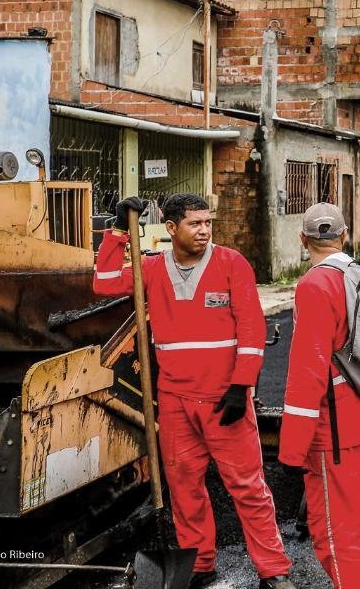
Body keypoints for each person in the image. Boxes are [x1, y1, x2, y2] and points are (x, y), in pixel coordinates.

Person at [96, 194, 294, 589]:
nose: (204, 230)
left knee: (248, 487)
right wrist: (118, 230)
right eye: (195, 224)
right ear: (171, 229)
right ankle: (201, 563)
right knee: (185, 488)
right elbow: (102, 284)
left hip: (224, 401)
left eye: (207, 222)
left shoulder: (231, 264)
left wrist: (242, 386)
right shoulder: (150, 268)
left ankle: (273, 571)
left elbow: (252, 331)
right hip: (173, 401)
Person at [280, 204, 360, 588]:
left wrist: (291, 450)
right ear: (345, 235)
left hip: (336, 431)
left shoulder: (314, 285)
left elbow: (307, 371)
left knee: (332, 532)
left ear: (303, 240)